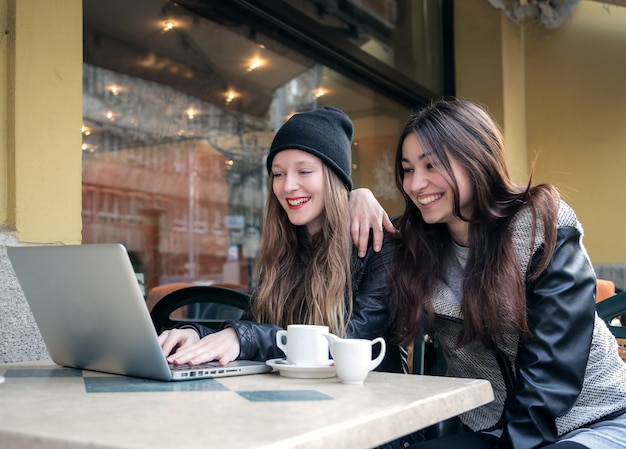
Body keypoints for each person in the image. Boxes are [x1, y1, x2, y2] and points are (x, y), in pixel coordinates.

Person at [365, 98, 626, 449]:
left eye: (432, 165)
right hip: (496, 430)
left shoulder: (541, 226)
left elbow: (552, 370)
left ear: (476, 160)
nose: (415, 184)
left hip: (593, 421)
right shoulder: (416, 243)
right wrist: (357, 197)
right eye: (408, 169)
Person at [158, 106, 402, 373]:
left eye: (304, 171)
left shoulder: (380, 244)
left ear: (334, 177)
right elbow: (255, 326)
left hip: (367, 404)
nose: (287, 186)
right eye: (278, 173)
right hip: (295, 403)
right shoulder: (284, 249)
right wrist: (196, 336)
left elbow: (348, 342)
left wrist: (242, 337)